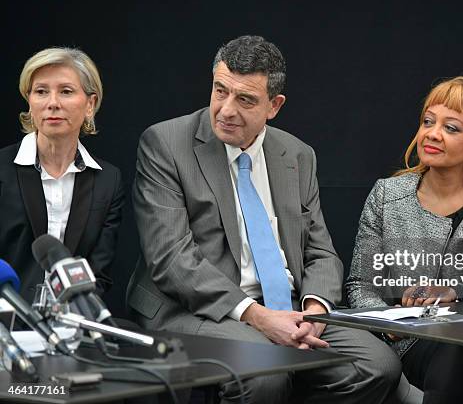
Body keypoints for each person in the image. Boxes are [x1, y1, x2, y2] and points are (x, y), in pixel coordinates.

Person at [127, 35, 403, 404]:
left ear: (274, 105)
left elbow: (320, 251)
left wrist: (316, 311)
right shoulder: (165, 144)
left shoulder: (297, 155)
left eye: (245, 100)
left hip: (288, 307)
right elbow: (172, 260)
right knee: (264, 373)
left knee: (376, 365)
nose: (226, 110)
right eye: (220, 90)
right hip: (192, 308)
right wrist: (257, 315)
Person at [346, 76, 463, 404]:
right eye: (428, 122)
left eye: (451, 128)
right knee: (462, 357)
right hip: (410, 341)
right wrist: (392, 326)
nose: (432, 134)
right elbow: (360, 287)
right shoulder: (386, 195)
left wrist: (455, 293)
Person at [0, 47, 124, 303]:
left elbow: (99, 275)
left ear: (90, 104)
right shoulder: (2, 168)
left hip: (72, 325)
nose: (52, 103)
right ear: (30, 102)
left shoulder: (108, 181)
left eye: (66, 91)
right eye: (41, 91)